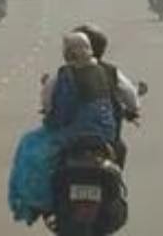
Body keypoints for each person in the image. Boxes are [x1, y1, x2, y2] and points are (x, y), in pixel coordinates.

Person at [72, 23, 141, 167]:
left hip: (70, 137)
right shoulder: (111, 72)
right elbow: (131, 96)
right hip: (106, 139)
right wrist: (133, 110)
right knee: (120, 149)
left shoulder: (64, 72)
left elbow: (48, 99)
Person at [40, 33, 118, 147]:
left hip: (71, 134)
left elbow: (46, 102)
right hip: (105, 133)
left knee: (31, 142)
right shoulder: (104, 71)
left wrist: (49, 113)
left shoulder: (62, 75)